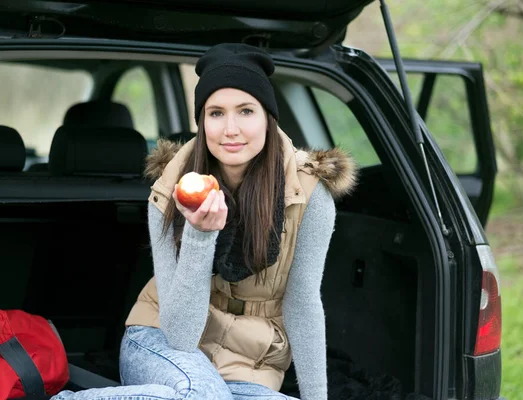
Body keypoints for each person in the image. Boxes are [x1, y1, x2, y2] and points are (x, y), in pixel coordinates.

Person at [52, 43, 357, 400]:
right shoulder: (170, 188)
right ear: (202, 121)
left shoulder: (309, 192)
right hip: (161, 342)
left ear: (268, 117)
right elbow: (180, 334)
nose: (231, 129)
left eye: (245, 111)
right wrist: (200, 235)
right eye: (215, 113)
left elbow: (303, 303)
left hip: (251, 364)